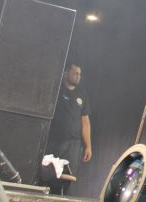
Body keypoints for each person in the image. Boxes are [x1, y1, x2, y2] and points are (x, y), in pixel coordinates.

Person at [47, 62, 92, 193]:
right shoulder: (57, 89)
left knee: (68, 178)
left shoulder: (82, 94)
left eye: (80, 74)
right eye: (75, 73)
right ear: (66, 74)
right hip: (54, 141)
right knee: (50, 176)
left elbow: (85, 122)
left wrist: (88, 146)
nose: (78, 76)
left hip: (73, 145)